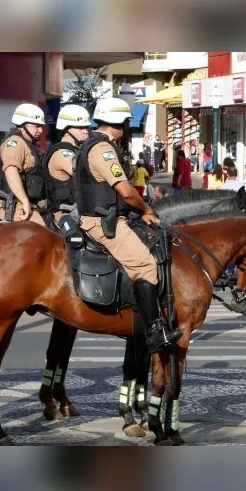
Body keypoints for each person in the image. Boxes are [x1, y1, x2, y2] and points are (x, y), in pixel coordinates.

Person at [73, 97, 182, 353]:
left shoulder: (90, 144)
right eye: (126, 123)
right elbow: (125, 190)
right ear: (119, 123)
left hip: (100, 217)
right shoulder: (103, 150)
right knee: (145, 265)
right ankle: (154, 331)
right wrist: (145, 209)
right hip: (104, 222)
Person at [0, 102, 49, 224]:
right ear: (23, 125)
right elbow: (11, 172)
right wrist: (24, 202)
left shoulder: (29, 145)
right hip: (15, 206)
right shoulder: (15, 142)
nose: (40, 130)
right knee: (42, 238)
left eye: (41, 126)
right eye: (36, 126)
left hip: (28, 204)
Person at [43, 104, 92, 223]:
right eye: (80, 128)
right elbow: (88, 176)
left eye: (86, 127)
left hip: (79, 213)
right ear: (66, 129)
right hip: (65, 215)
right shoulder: (63, 153)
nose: (85, 131)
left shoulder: (75, 150)